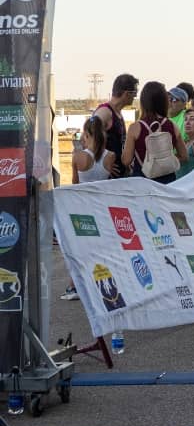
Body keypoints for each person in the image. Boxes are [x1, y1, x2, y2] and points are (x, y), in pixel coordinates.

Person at [61, 115, 116, 300]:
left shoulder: (78, 157)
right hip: (101, 206)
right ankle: (103, 283)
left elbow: (74, 184)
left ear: (85, 134)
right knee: (101, 248)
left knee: (79, 248)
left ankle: (74, 286)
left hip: (81, 206)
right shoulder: (110, 156)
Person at [122, 80, 188, 184]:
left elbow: (126, 160)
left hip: (142, 181)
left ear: (143, 102)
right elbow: (184, 156)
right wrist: (164, 161)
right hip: (167, 181)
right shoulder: (172, 125)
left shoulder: (135, 128)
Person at [92, 73, 138, 179]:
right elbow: (88, 136)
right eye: (135, 93)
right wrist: (102, 163)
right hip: (107, 177)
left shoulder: (117, 112)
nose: (135, 97)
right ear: (126, 94)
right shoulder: (104, 112)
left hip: (117, 175)